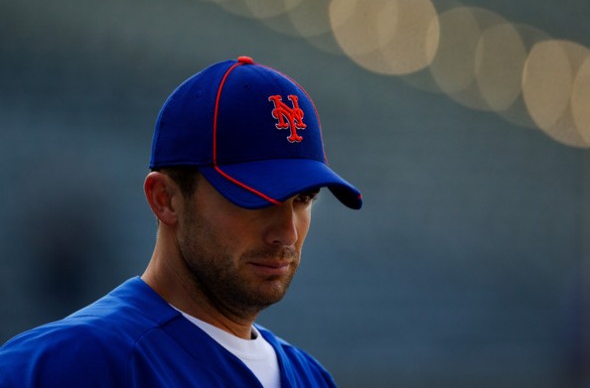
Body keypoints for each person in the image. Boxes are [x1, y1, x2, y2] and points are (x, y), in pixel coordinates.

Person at [0, 56, 362, 387]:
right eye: (256, 199)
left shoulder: (311, 377)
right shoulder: (66, 365)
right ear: (166, 199)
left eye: (304, 199)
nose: (287, 233)